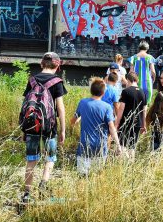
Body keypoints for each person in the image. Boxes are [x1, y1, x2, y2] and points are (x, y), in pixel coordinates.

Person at [20, 52, 67, 206]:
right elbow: (60, 107)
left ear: (41, 64)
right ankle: (43, 185)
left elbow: (25, 104)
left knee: (31, 159)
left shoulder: (32, 80)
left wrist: (23, 129)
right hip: (49, 126)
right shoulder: (57, 82)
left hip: (32, 125)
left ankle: (26, 194)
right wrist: (63, 130)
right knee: (50, 157)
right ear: (58, 65)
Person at [71, 77, 121, 175]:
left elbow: (73, 121)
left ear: (91, 90)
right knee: (98, 174)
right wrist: (118, 145)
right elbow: (111, 128)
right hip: (100, 145)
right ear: (103, 93)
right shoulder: (107, 107)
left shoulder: (83, 102)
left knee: (82, 175)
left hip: (85, 143)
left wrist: (76, 123)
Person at [117, 72, 146, 157]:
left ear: (128, 80)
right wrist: (143, 125)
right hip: (138, 123)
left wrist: (117, 123)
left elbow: (121, 108)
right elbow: (144, 110)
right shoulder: (142, 92)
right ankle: (131, 164)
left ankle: (123, 164)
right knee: (132, 146)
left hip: (126, 122)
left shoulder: (126, 91)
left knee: (123, 145)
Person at [128, 41, 157, 105]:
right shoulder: (150, 57)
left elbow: (131, 71)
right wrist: (154, 78)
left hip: (136, 82)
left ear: (139, 48)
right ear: (147, 48)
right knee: (146, 103)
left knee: (136, 103)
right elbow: (153, 71)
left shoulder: (133, 57)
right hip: (147, 82)